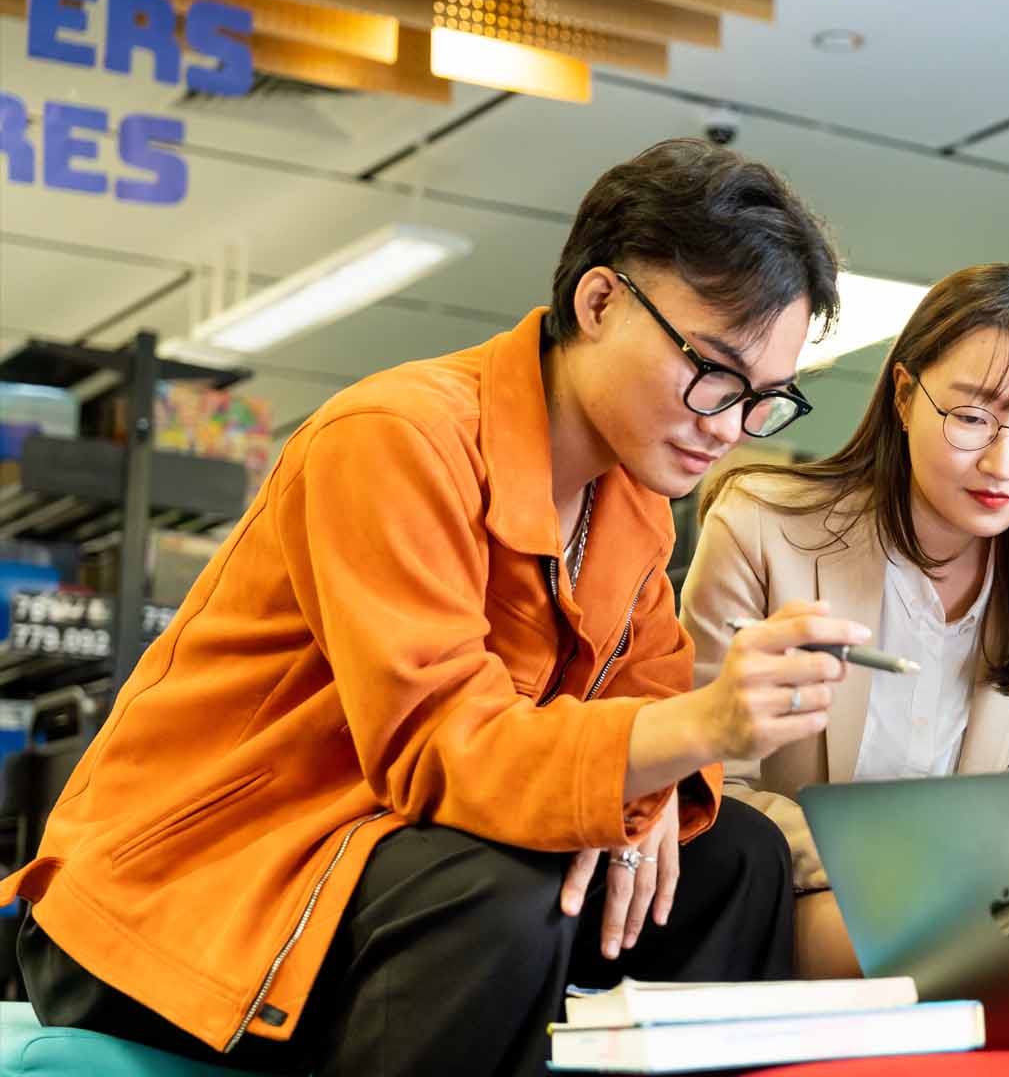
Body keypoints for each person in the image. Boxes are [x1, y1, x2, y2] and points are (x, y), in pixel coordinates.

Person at [1, 139, 876, 1077]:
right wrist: (692, 729)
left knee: (736, 861)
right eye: (713, 371)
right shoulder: (394, 439)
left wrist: (651, 783)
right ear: (599, 302)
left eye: (764, 399)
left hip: (387, 865)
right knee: (506, 886)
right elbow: (440, 749)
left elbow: (639, 704)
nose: (729, 424)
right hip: (194, 900)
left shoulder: (639, 507)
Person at [679, 263, 1009, 978]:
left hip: (971, 914)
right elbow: (704, 789)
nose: (1002, 464)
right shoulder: (762, 529)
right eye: (973, 417)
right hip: (788, 897)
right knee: (972, 964)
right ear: (901, 395)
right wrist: (888, 867)